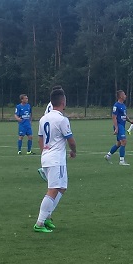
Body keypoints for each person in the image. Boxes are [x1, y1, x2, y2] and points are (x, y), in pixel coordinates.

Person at [32, 88, 76, 233]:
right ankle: (39, 223)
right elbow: (71, 140)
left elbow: (40, 138)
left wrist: (44, 151)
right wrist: (74, 151)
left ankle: (47, 217)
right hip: (56, 159)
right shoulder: (62, 119)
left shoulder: (43, 118)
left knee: (62, 187)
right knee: (53, 189)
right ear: (63, 102)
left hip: (47, 157)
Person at [105, 90, 133, 166]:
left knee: (119, 143)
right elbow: (114, 117)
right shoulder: (116, 105)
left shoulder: (123, 105)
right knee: (124, 142)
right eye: (124, 94)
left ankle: (108, 155)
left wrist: (130, 121)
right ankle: (121, 161)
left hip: (122, 125)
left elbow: (124, 116)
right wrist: (116, 128)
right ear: (121, 96)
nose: (125, 96)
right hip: (119, 126)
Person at [39, 85, 63, 180]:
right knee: (55, 147)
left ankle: (47, 167)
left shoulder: (50, 103)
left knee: (49, 147)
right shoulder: (55, 104)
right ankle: (47, 170)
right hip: (52, 124)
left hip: (48, 124)